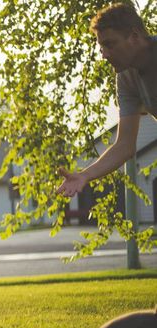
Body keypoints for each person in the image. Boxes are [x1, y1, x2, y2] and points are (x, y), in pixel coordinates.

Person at [57, 3, 156, 197]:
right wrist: (84, 175)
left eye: (110, 44)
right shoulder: (126, 78)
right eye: (101, 47)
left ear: (134, 37)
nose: (104, 55)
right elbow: (125, 145)